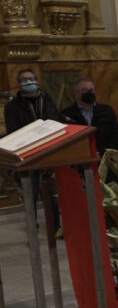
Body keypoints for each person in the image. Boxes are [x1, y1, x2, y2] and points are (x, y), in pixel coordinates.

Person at [4, 68, 63, 234]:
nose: (28, 82)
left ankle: (55, 227)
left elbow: (55, 120)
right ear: (19, 84)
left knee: (52, 194)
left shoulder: (47, 99)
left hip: (49, 152)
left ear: (37, 80)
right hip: (28, 154)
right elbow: (13, 131)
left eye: (31, 79)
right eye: (24, 80)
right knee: (30, 194)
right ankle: (32, 225)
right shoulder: (12, 106)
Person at [61, 78, 118, 156]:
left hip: (105, 159)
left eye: (91, 90)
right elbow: (66, 141)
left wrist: (103, 153)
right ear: (76, 94)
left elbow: (117, 136)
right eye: (84, 90)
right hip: (79, 160)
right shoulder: (67, 114)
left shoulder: (106, 111)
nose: (88, 93)